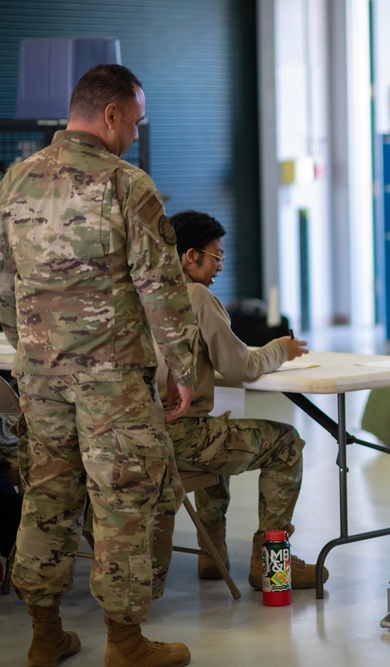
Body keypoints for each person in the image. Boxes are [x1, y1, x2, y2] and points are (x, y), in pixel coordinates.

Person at [0, 64, 198, 667]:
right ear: (110, 113)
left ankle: (44, 633)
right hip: (111, 380)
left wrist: (30, 343)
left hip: (38, 375)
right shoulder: (126, 185)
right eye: (135, 121)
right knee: (122, 501)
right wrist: (183, 369)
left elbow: (3, 284)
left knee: (48, 492)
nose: (136, 133)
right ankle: (126, 642)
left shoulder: (16, 180)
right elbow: (161, 287)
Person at [163, 210, 327, 590]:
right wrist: (280, 349)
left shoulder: (134, 289)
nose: (220, 267)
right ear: (191, 256)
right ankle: (272, 566)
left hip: (130, 435)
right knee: (285, 443)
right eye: (216, 256)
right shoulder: (197, 296)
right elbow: (240, 367)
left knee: (220, 422)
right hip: (178, 436)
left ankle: (212, 552)